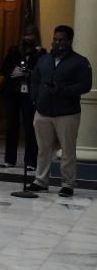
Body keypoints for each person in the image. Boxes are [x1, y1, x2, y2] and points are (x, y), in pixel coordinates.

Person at [26, 25, 93, 197]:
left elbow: (85, 86)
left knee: (67, 150)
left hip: (67, 113)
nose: (57, 43)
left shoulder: (80, 62)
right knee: (43, 149)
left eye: (61, 40)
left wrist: (62, 90)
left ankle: (67, 184)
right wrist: (35, 97)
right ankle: (40, 181)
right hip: (42, 112)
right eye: (55, 39)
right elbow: (35, 80)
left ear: (70, 41)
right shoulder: (44, 60)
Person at [0, 25, 45, 170]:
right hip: (13, 92)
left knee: (30, 127)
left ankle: (31, 162)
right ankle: (9, 159)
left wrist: (29, 73)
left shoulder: (41, 53)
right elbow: (3, 69)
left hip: (30, 93)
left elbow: (42, 72)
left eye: (31, 36)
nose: (28, 38)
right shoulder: (13, 51)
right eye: (26, 35)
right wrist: (13, 72)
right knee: (11, 125)